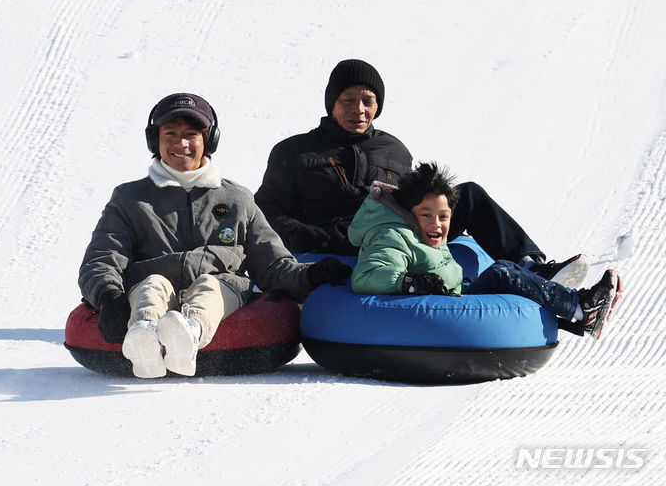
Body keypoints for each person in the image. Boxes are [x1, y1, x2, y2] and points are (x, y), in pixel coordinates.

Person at [78, 93, 351, 378]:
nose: (180, 144)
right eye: (170, 133)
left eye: (191, 134)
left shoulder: (236, 199)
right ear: (154, 140)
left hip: (219, 291)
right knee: (152, 285)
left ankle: (189, 335)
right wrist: (109, 298)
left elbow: (271, 264)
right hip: (153, 284)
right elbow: (102, 258)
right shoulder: (130, 199)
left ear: (209, 140)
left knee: (211, 285)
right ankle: (142, 335)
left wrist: (309, 275)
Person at [255, 58, 588, 287]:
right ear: (332, 103)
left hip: (401, 234)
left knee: (467, 194)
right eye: (348, 100)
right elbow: (268, 215)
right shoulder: (294, 152)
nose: (359, 109)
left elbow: (417, 201)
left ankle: (533, 267)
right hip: (340, 245)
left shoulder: (394, 149)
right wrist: (321, 239)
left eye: (368, 100)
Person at [348, 162, 624, 340]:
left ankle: (570, 307)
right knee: (504, 273)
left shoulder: (424, 233)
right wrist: (409, 283)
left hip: (453, 295)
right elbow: (366, 276)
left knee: (507, 268)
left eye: (444, 216)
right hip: (443, 308)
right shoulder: (392, 234)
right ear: (410, 210)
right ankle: (580, 308)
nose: (437, 224)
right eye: (427, 215)